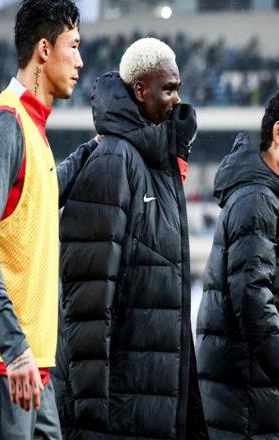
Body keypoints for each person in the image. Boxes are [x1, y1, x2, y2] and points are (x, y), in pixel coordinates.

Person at [0, 1, 99, 438]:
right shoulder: (5, 122)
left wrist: (93, 148)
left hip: (32, 365)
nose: (80, 61)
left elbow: (40, 198)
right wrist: (14, 348)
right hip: (1, 363)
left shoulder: (32, 128)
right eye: (74, 46)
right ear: (44, 50)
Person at [53, 38, 208, 439]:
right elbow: (88, 299)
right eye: (168, 89)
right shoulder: (114, 159)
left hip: (148, 403)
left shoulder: (154, 163)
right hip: (117, 411)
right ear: (140, 90)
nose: (177, 100)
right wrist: (90, 410)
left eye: (178, 88)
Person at [196, 85, 279, 439]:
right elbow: (253, 300)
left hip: (257, 404)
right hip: (250, 412)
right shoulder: (257, 200)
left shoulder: (269, 197)